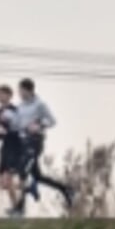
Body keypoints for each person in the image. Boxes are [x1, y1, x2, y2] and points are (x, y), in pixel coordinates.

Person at [13, 77, 73, 211]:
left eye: (21, 90)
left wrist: (39, 125)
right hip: (23, 142)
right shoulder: (20, 107)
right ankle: (66, 190)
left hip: (35, 142)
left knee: (23, 172)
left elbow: (52, 121)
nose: (19, 93)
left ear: (28, 90)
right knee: (38, 177)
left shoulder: (40, 105)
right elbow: (17, 125)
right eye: (19, 91)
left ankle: (19, 207)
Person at [0, 84, 29, 216]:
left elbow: (19, 127)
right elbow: (2, 129)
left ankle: (17, 209)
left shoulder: (15, 110)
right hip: (5, 146)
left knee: (7, 179)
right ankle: (22, 191)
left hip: (14, 146)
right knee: (1, 183)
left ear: (8, 96)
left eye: (1, 94)